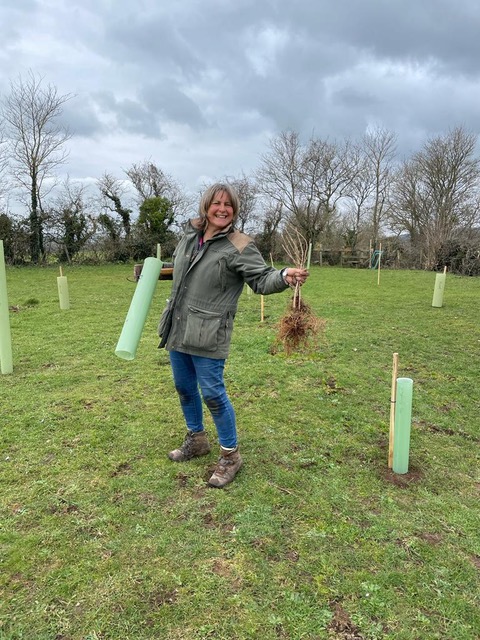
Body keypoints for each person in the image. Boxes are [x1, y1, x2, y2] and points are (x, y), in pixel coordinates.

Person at [158, 182, 309, 488]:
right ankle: (196, 439)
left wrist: (283, 275)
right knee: (184, 387)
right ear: (206, 205)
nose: (222, 209)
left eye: (229, 205)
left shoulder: (240, 245)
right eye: (217, 203)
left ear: (235, 210)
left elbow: (261, 278)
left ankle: (231, 456)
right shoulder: (190, 235)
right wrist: (150, 273)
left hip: (209, 332)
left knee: (213, 393)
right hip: (178, 325)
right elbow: (181, 270)